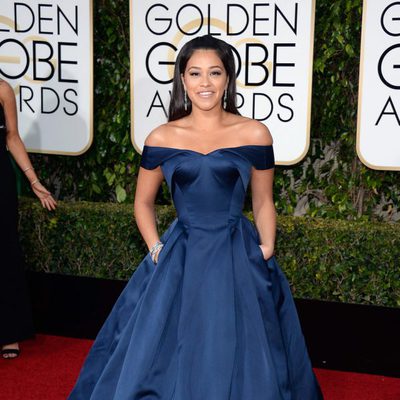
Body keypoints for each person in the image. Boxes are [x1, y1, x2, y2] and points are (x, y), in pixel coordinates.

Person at [68, 35, 323, 399]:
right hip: (181, 254)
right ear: (183, 81)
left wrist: (266, 247)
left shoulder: (254, 133)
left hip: (237, 253)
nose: (205, 83)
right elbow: (142, 202)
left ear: (228, 79)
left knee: (241, 346)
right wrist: (156, 247)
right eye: (196, 73)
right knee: (165, 346)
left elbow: (264, 201)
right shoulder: (161, 137)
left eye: (215, 73)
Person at [0, 79, 57, 359]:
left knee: (5, 250)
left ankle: (9, 332)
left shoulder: (2, 90)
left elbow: (12, 137)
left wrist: (33, 180)